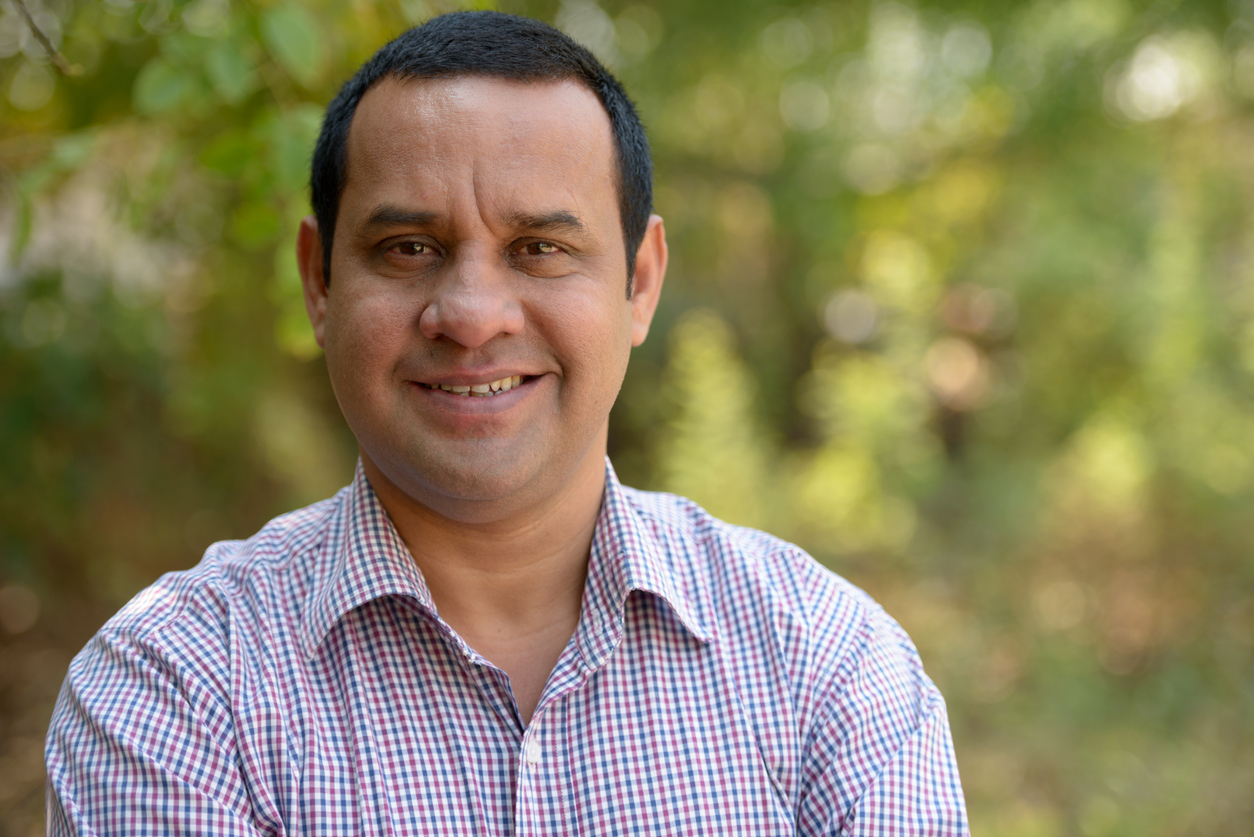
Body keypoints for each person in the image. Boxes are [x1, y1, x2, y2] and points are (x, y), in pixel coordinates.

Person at [45, 11, 968, 835]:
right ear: (320, 282)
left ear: (639, 283)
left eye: (540, 249)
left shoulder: (828, 665)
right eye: (410, 248)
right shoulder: (173, 685)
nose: (474, 313)